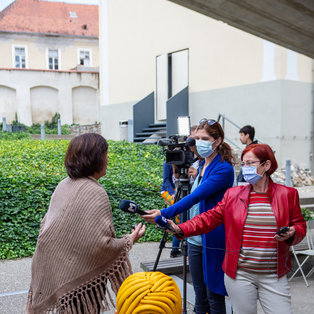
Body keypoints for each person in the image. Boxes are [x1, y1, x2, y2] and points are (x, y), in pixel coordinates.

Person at [167, 143, 307, 314]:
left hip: (274, 275)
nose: (245, 168)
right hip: (240, 275)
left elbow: (300, 226)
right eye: (243, 164)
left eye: (250, 163)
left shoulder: (287, 194)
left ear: (267, 165)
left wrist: (293, 233)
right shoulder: (233, 195)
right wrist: (181, 229)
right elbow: (208, 218)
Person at [26, 133, 145, 314]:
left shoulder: (63, 185)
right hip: (83, 287)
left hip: (58, 271)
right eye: (105, 155)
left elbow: (49, 232)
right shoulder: (95, 192)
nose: (107, 160)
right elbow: (99, 246)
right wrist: (130, 239)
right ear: (95, 158)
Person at [143, 119, 234, 314]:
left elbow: (196, 196)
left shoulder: (224, 168)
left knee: (214, 295)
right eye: (196, 138)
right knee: (200, 296)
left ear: (217, 141)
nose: (199, 142)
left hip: (213, 237)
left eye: (204, 139)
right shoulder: (200, 164)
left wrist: (165, 212)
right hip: (194, 239)